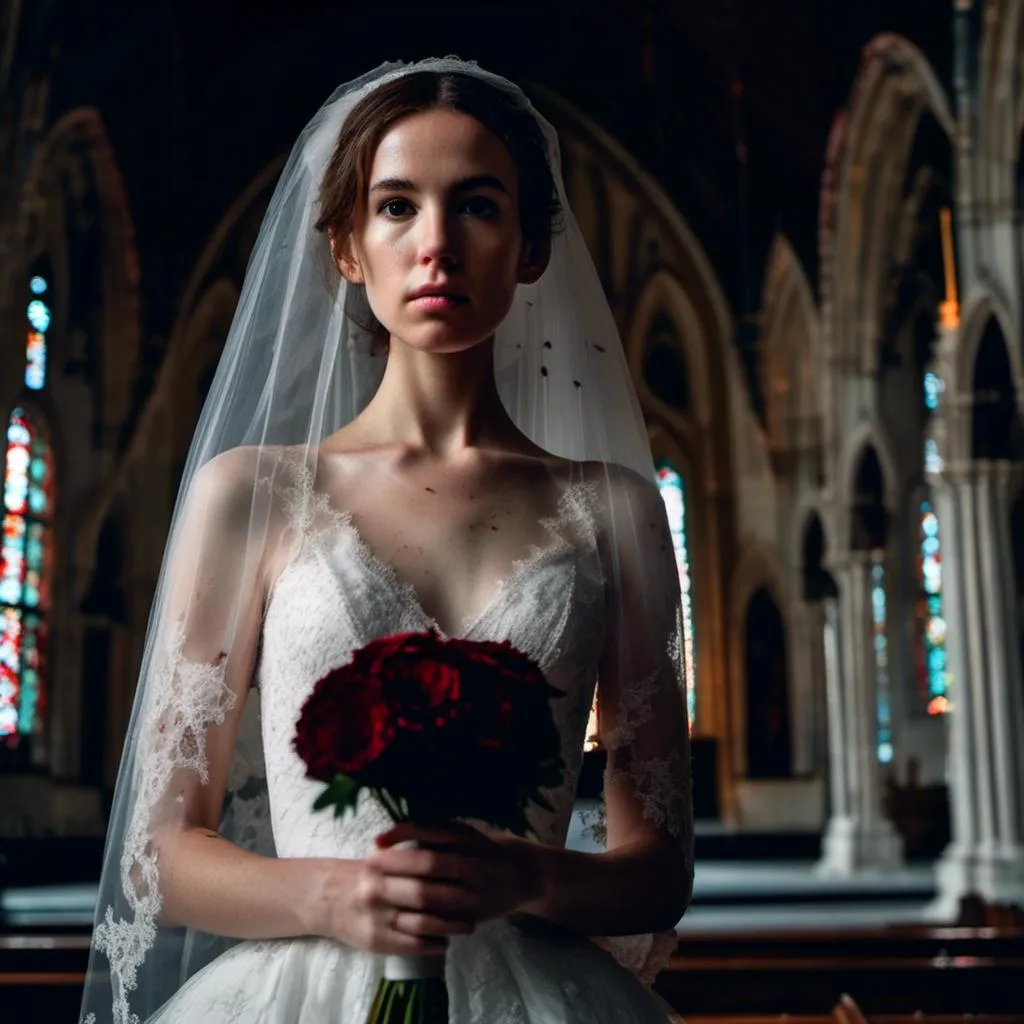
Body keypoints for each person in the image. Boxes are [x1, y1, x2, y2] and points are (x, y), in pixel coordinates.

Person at [79, 58, 694, 1024]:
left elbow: (658, 870)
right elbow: (157, 851)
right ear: (348, 247)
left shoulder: (614, 510)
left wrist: (522, 877)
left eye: (479, 207)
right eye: (397, 206)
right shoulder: (251, 493)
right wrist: (335, 894)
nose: (436, 244)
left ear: (532, 248)